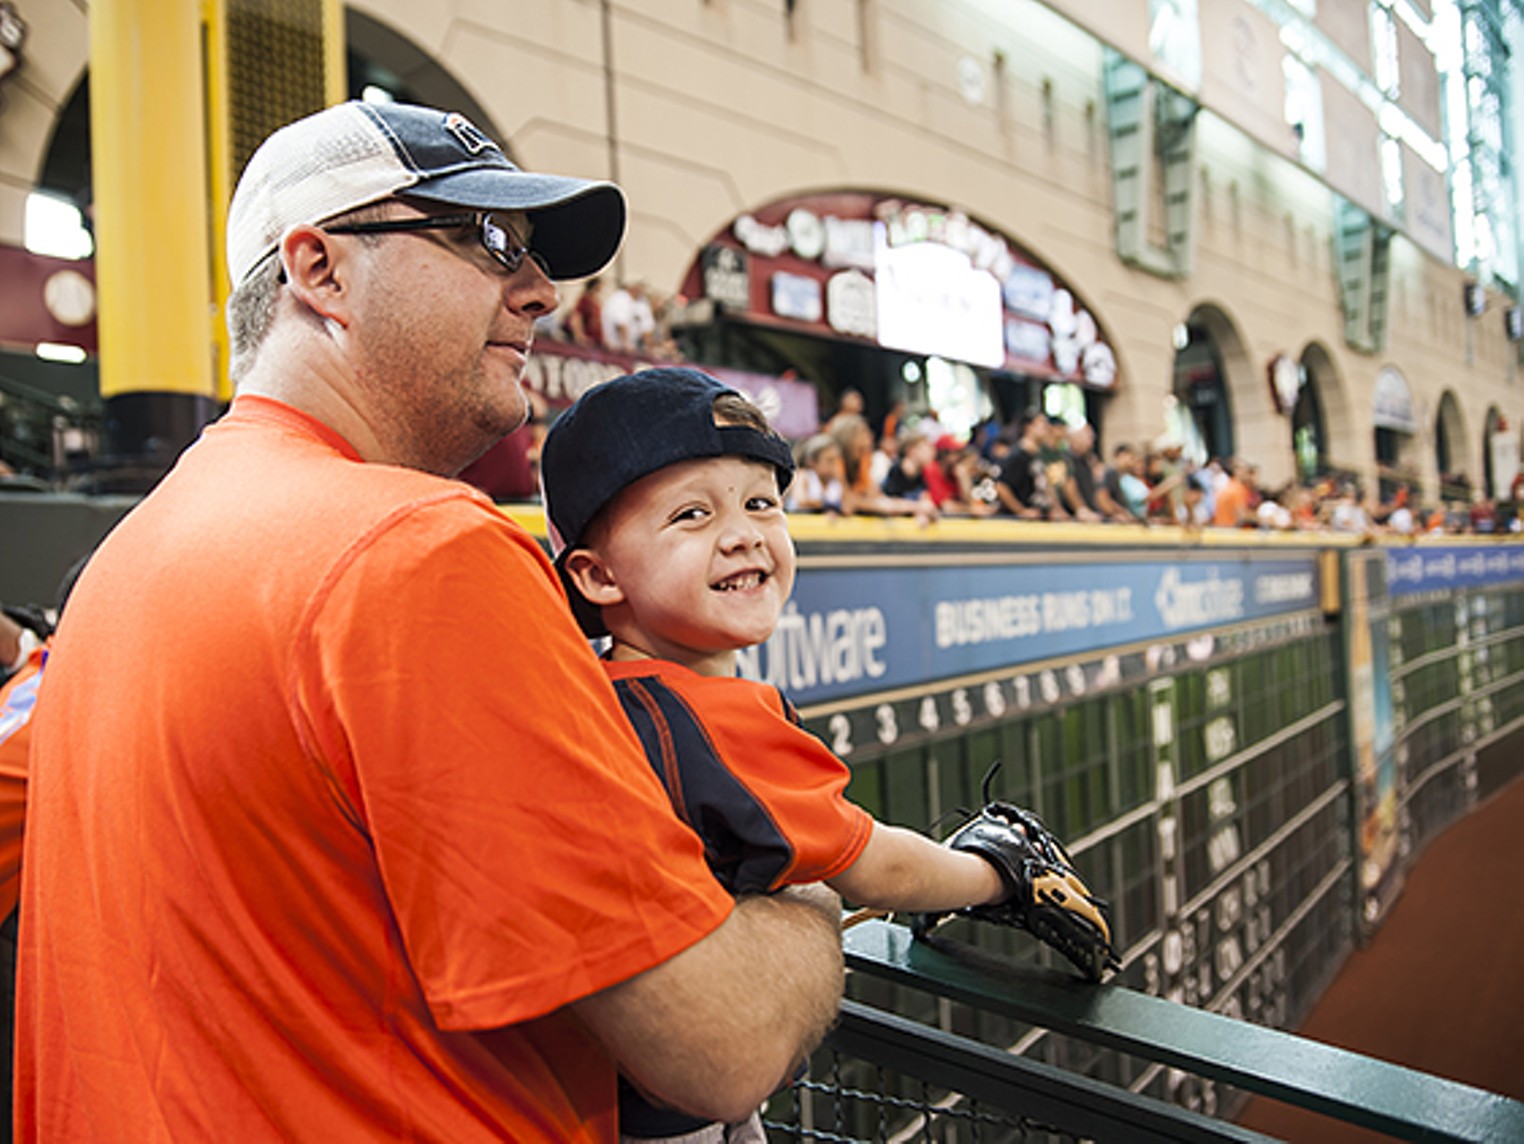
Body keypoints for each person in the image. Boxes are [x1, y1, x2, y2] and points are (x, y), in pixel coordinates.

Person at [17, 101, 845, 1142]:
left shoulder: (125, 557)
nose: (541, 292)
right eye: (485, 240)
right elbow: (718, 1042)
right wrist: (807, 890)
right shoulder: (418, 549)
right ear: (319, 270)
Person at [540, 368, 1092, 1141]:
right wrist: (996, 875)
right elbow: (873, 866)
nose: (742, 533)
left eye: (761, 502)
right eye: (692, 514)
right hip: (672, 1111)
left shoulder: (593, 690)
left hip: (585, 1088)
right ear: (597, 575)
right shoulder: (710, 714)